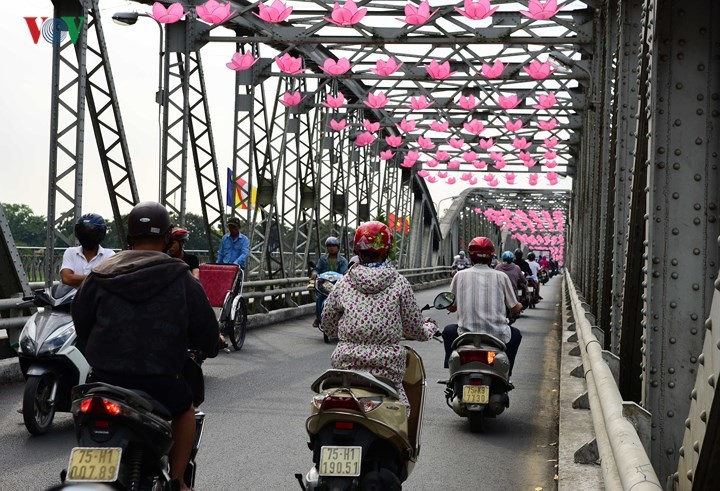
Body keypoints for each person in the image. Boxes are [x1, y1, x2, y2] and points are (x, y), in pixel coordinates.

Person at [72, 201, 219, 491]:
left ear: (129, 238)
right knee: (185, 409)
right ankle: (177, 481)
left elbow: (81, 323)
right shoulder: (181, 277)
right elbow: (207, 334)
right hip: (158, 379)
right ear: (167, 238)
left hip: (104, 378)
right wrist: (210, 345)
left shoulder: (100, 274)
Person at [320, 221, 439, 411]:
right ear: (387, 250)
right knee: (402, 413)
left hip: (345, 366)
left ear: (357, 250)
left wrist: (341, 332)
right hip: (386, 369)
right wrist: (429, 328)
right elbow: (414, 328)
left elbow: (327, 323)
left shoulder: (343, 283)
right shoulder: (399, 283)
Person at [442, 237, 523, 377]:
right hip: (497, 336)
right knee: (516, 335)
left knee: (448, 331)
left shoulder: (459, 276)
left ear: (469, 255)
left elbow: (452, 307)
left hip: (465, 335)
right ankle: (506, 373)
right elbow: (514, 308)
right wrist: (520, 305)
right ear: (491, 256)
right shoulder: (501, 277)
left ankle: (453, 369)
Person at [60, 213, 115, 287]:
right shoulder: (71, 252)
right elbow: (66, 278)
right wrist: (98, 279)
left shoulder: (109, 255)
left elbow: (109, 281)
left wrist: (76, 279)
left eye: (92, 233)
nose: (87, 237)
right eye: (83, 232)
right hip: (73, 298)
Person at [311, 236, 349, 327]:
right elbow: (317, 269)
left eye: (334, 245)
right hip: (324, 285)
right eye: (329, 246)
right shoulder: (322, 259)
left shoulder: (342, 260)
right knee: (319, 297)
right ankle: (318, 318)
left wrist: (345, 276)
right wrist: (314, 273)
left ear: (338, 247)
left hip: (337, 285)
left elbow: (345, 272)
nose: (331, 248)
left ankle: (346, 318)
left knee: (343, 300)